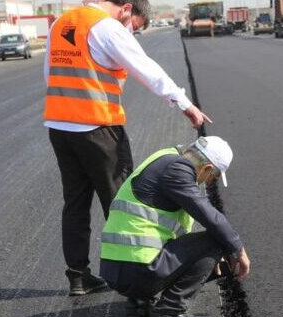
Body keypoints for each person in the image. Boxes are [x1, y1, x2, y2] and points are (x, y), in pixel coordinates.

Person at [43, 0, 212, 296]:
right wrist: (185, 104)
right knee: (123, 201)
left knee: (75, 203)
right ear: (126, 9)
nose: (131, 33)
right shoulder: (106, 26)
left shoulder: (61, 23)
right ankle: (134, 277)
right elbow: (147, 69)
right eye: (133, 26)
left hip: (60, 127)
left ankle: (78, 276)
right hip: (98, 128)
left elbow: (50, 73)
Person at [99, 136, 251, 317]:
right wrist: (237, 248)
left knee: (208, 247)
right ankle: (170, 310)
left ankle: (139, 302)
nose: (209, 184)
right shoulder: (177, 170)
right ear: (206, 169)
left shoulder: (165, 157)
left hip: (116, 267)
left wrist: (202, 260)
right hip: (136, 269)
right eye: (214, 177)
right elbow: (211, 217)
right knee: (217, 240)